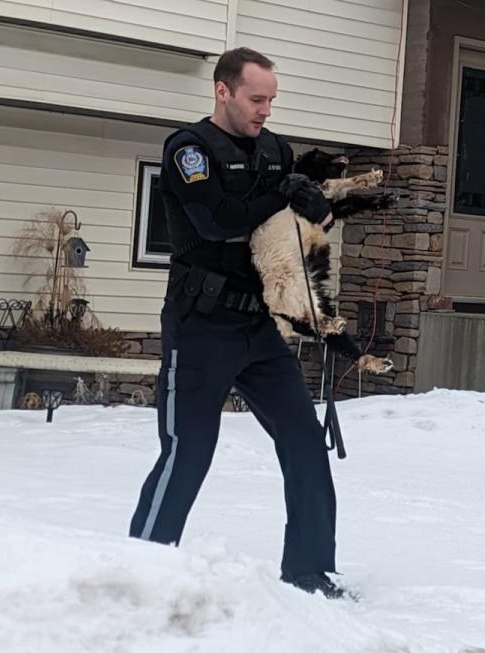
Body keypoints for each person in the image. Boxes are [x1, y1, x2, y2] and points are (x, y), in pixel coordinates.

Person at [128, 47, 344, 599]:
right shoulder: (188, 149)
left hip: (262, 329)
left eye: (271, 100)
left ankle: (309, 572)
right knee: (189, 449)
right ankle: (139, 570)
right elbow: (217, 220)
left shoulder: (278, 150)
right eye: (256, 99)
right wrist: (281, 193)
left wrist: (317, 204)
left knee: (303, 442)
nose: (265, 110)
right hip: (201, 326)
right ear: (223, 91)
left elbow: (294, 233)